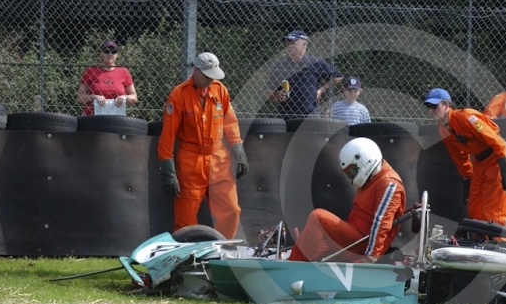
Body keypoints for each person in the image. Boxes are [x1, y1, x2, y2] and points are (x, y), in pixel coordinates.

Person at [158, 52, 248, 240]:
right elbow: (168, 135)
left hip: (219, 159)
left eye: (214, 76)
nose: (211, 80)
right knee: (185, 219)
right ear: (196, 71)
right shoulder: (179, 95)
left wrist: (239, 151)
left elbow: (230, 124)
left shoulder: (220, 90)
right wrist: (168, 169)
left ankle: (223, 253)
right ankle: (186, 260)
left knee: (231, 210)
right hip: (191, 161)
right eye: (207, 76)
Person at [288, 137, 405, 262]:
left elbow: (382, 224)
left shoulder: (389, 184)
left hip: (362, 246)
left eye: (353, 171)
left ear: (365, 161)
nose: (351, 176)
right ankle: (295, 264)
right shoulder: (373, 179)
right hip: (355, 240)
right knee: (313, 245)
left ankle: (292, 266)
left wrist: (370, 257)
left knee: (318, 217)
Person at [424, 88, 506, 227]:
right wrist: (467, 181)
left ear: (446, 105)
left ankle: (498, 243)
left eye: (434, 106)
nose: (431, 110)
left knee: (493, 210)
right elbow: (459, 158)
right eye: (428, 107)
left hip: (497, 158)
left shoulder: (467, 117)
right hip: (480, 162)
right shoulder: (443, 129)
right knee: (474, 207)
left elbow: (495, 141)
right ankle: (479, 241)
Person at [267, 29, 343, 120]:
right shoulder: (280, 65)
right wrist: (277, 94)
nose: (289, 46)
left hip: (310, 115)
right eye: (287, 43)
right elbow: (268, 91)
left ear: (304, 44)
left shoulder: (315, 62)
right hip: (286, 115)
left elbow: (338, 76)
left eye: (293, 43)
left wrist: (321, 90)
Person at [76, 40, 138, 116]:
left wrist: (124, 97)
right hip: (92, 115)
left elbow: (134, 97)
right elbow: (79, 97)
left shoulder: (123, 71)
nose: (110, 54)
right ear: (100, 53)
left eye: (113, 52)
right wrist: (94, 97)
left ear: (117, 55)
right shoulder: (91, 70)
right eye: (106, 51)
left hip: (116, 116)